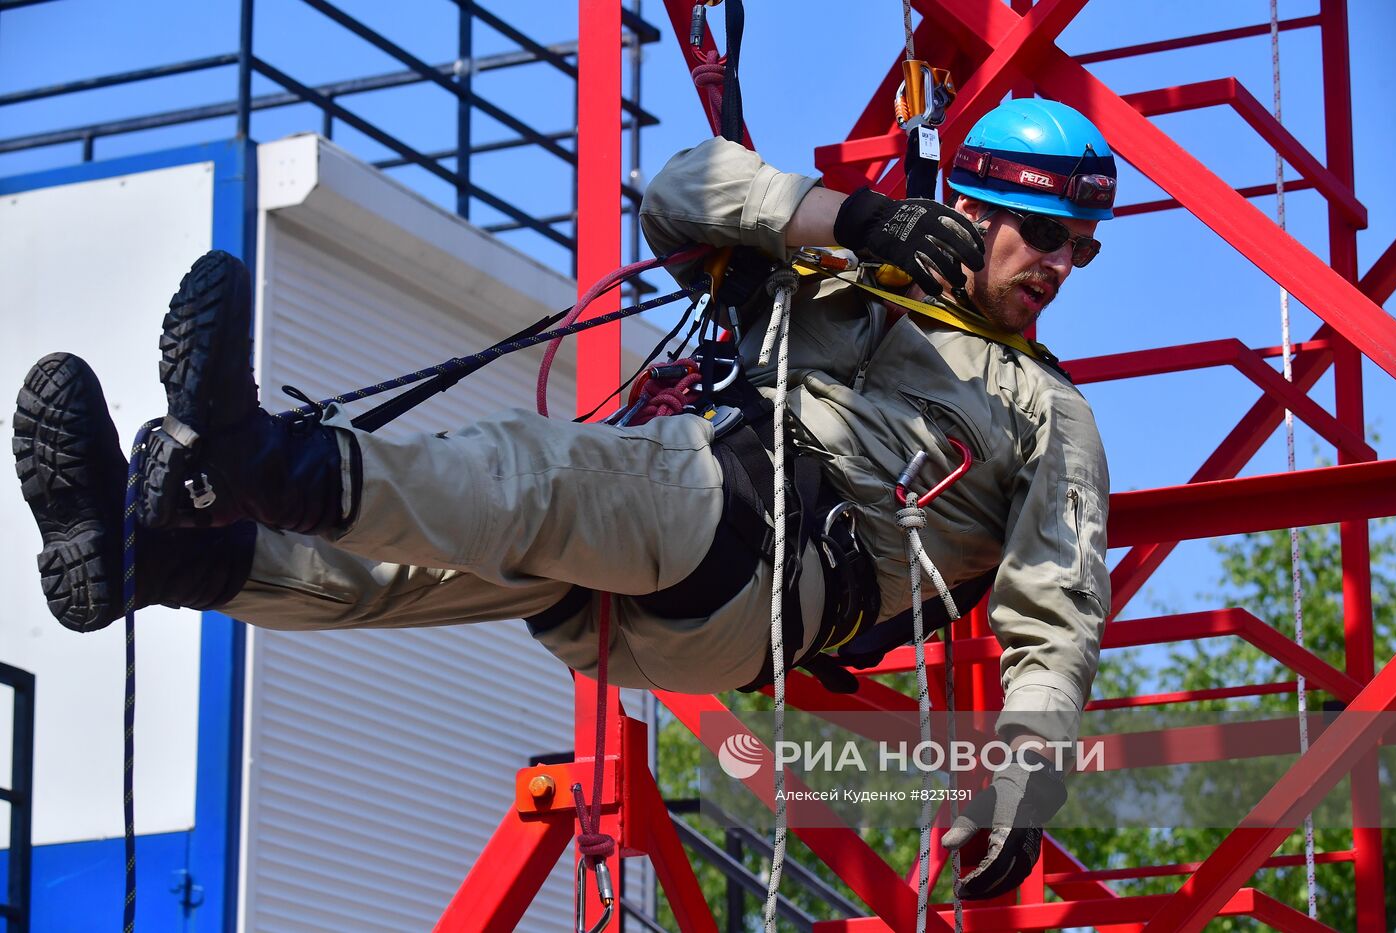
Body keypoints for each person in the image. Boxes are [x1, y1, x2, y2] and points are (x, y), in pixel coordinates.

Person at [14, 98, 1112, 898]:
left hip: (771, 561)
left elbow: (1053, 619)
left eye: (1082, 249)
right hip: (671, 571)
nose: (1062, 265)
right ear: (968, 211)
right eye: (1046, 234)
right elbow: (680, 192)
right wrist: (849, 220)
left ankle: (255, 467)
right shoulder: (837, 274)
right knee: (421, 564)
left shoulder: (1044, 413)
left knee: (534, 476)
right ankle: (161, 563)